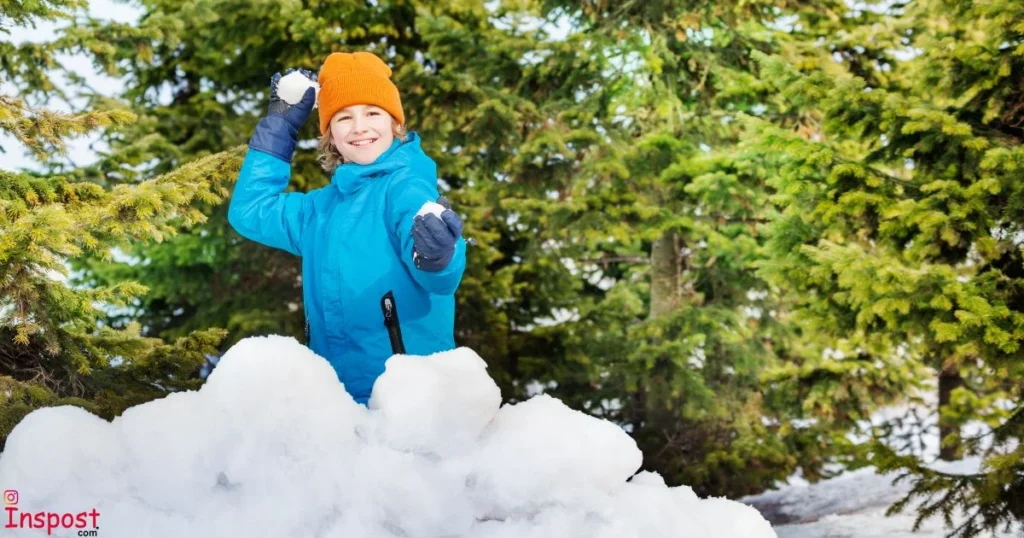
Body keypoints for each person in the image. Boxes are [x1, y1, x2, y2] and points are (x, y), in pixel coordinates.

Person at [228, 51, 466, 405]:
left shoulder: (406, 187)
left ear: (395, 123)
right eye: (343, 117)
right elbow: (250, 210)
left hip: (408, 404)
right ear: (330, 135)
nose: (359, 127)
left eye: (372, 113)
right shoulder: (319, 210)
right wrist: (280, 127)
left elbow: (441, 279)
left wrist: (438, 256)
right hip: (336, 403)